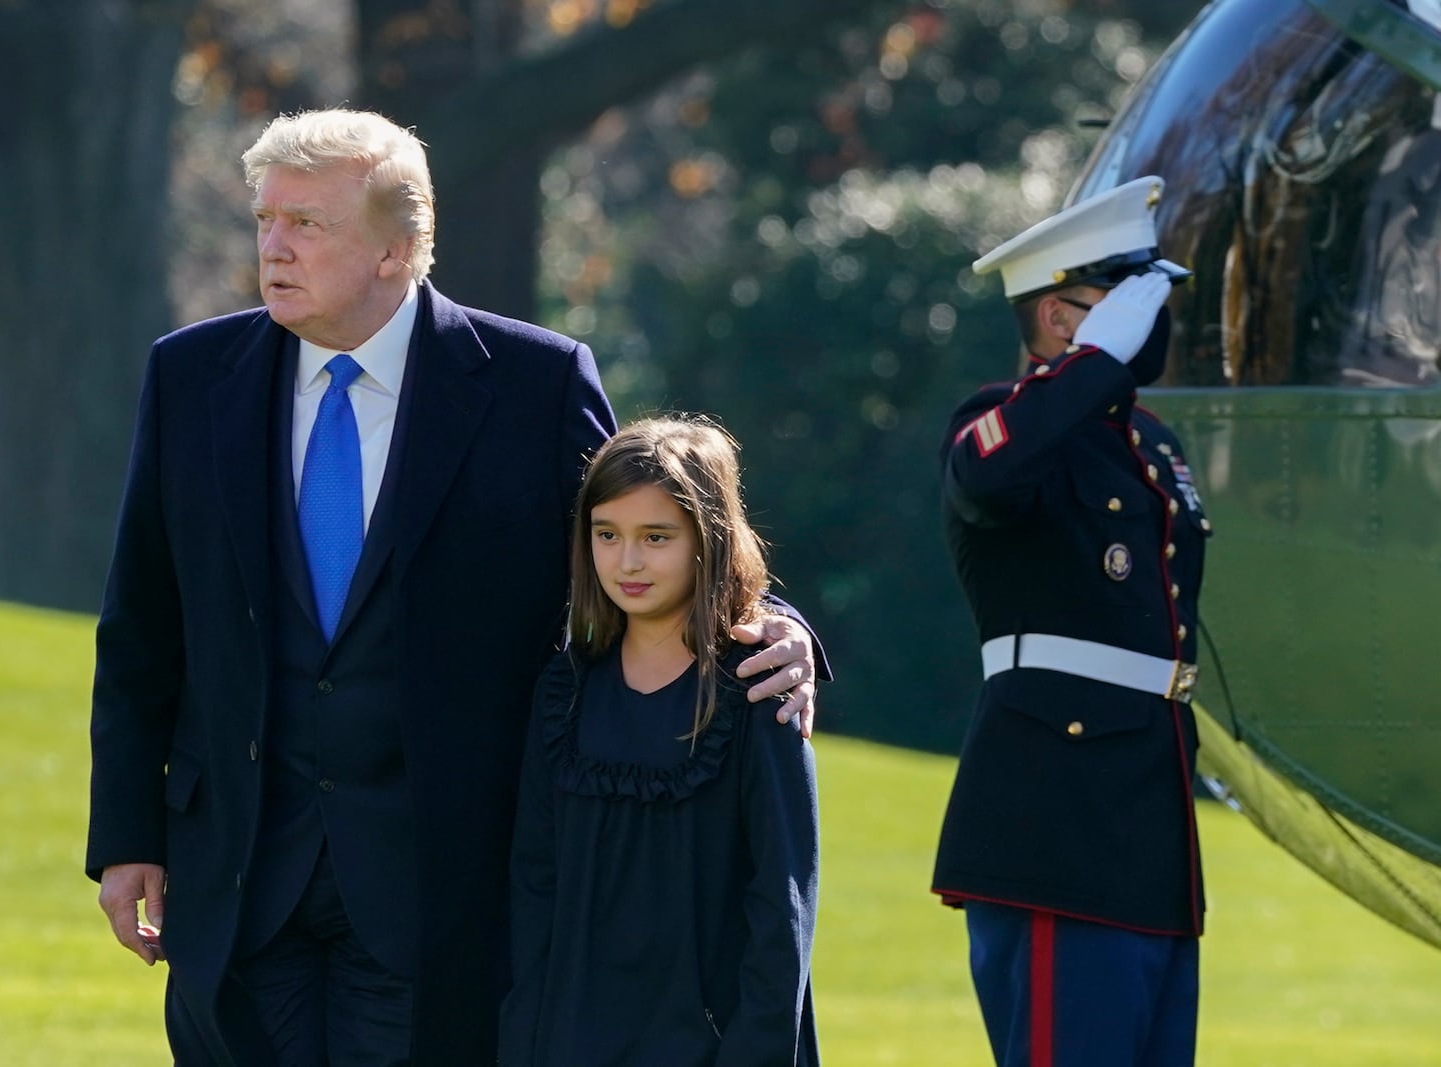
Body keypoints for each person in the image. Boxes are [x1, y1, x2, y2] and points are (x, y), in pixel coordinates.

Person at [85, 107, 822, 1067]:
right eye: (266, 219)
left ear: (397, 249)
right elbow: (142, 621)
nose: (274, 246)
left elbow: (647, 535)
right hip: (233, 872)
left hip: (442, 886)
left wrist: (774, 626)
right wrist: (127, 832)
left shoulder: (534, 382)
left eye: (307, 224)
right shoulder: (188, 375)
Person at [930, 175, 1213, 1067]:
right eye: (1131, 300)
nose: (1154, 321)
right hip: (1057, 811)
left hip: (1147, 813)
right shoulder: (1000, 424)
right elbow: (986, 482)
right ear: (1060, 315)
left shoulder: (1149, 442)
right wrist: (1090, 368)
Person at [499, 415, 819, 1067]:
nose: (629, 560)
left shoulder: (756, 689)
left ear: (710, 539)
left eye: (657, 536)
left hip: (711, 1041)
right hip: (572, 1039)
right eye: (606, 534)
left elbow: (781, 903)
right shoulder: (564, 692)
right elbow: (535, 885)